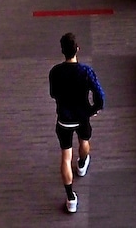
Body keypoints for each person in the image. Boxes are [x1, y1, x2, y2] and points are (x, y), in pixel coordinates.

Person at [48, 32, 105, 213]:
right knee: (84, 141)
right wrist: (92, 110)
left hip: (64, 120)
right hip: (81, 117)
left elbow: (53, 94)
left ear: (62, 51)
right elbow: (100, 96)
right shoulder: (86, 71)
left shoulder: (55, 72)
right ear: (77, 49)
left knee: (65, 157)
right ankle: (82, 163)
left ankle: (70, 197)